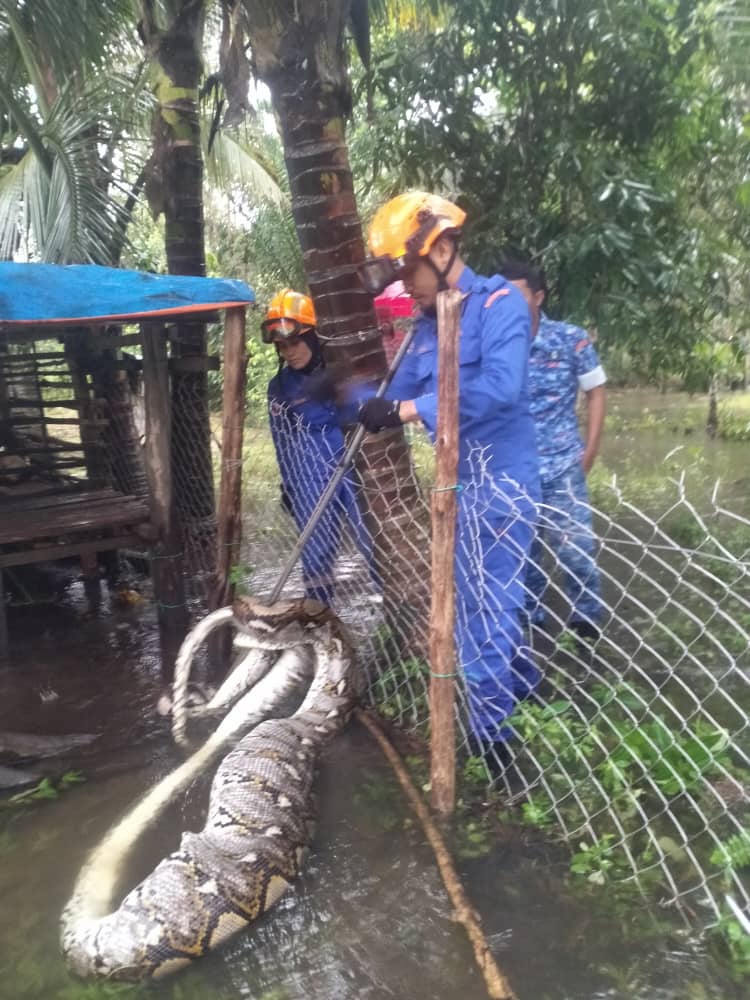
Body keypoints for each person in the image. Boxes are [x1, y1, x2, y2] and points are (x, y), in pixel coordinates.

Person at [356, 192, 541, 755]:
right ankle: (524, 690)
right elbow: (401, 390)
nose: (404, 285)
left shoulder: (498, 305)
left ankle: (494, 742)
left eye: (407, 269)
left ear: (438, 250)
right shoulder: (427, 325)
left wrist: (411, 412)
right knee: (483, 602)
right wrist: (351, 396)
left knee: (488, 609)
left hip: (502, 485)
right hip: (459, 486)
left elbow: (499, 391)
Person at [500, 260, 606, 641]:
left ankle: (586, 628)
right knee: (525, 561)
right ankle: (533, 631)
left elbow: (595, 392)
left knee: (577, 553)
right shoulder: (498, 345)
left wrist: (589, 452)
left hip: (563, 466)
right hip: (515, 471)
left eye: (518, 294)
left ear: (539, 296)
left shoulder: (570, 339)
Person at [262, 288, 372, 606]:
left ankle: (398, 617)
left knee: (373, 541)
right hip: (310, 473)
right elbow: (281, 438)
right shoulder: (280, 388)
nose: (288, 352)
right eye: (281, 346)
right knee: (316, 551)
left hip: (354, 464)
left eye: (294, 342)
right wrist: (289, 485)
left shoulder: (340, 371)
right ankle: (320, 619)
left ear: (312, 337)